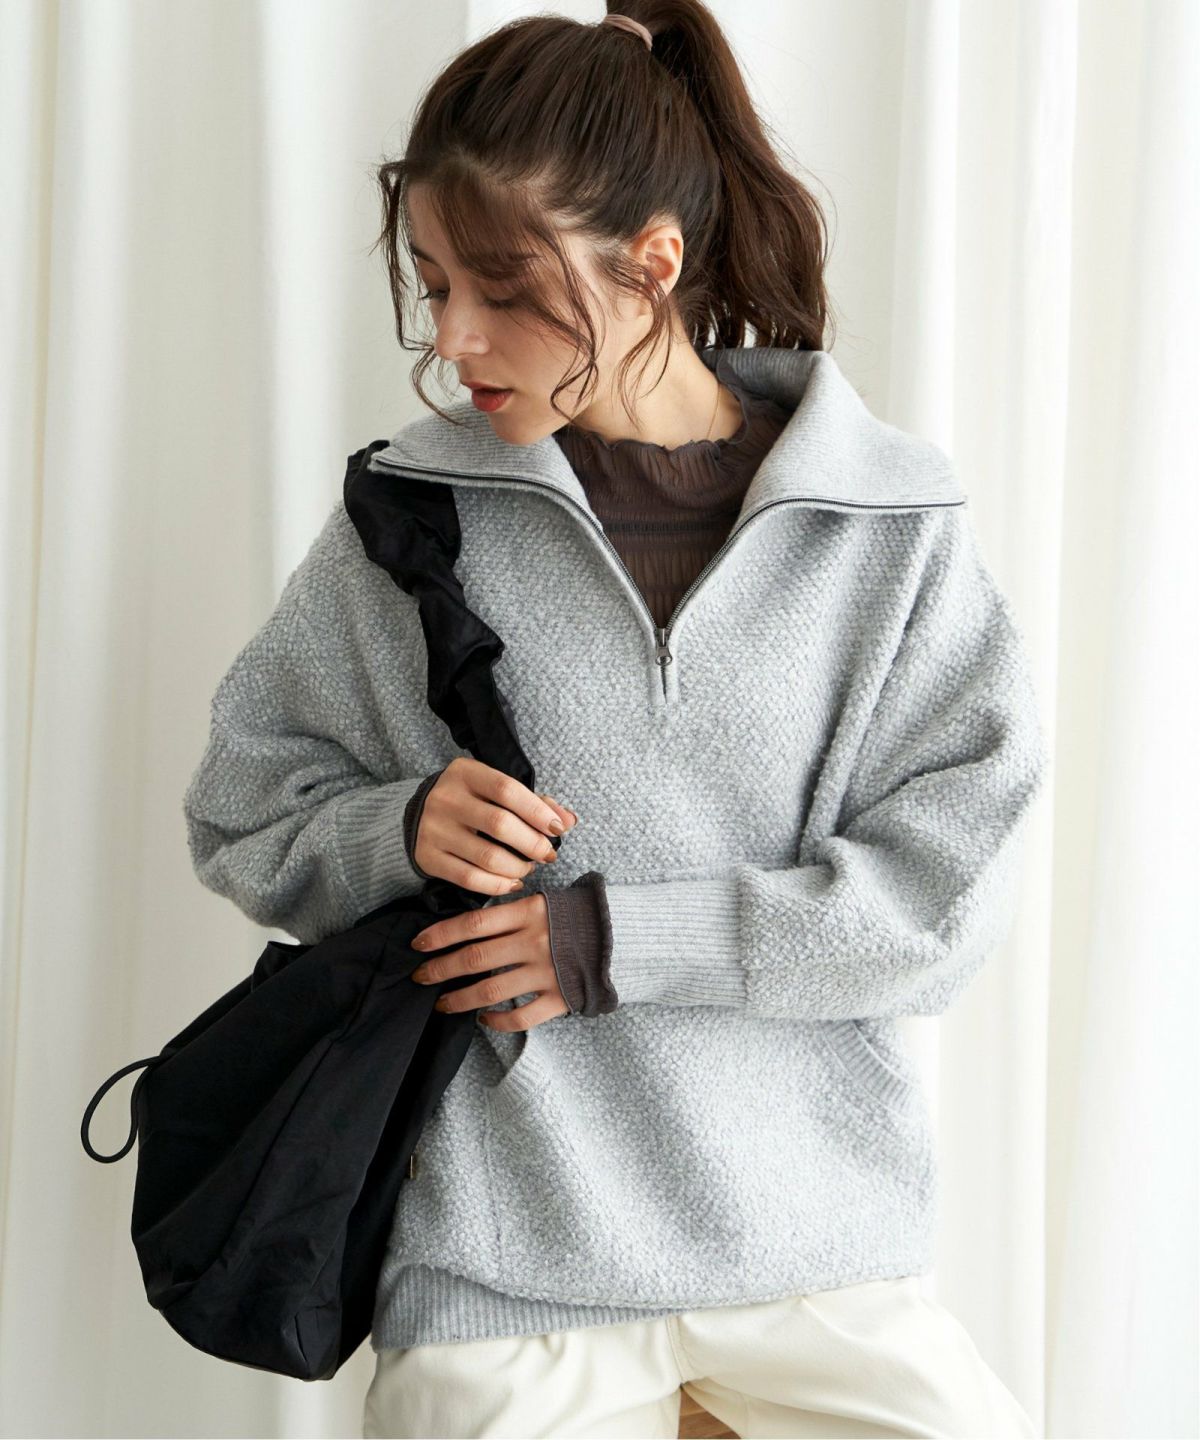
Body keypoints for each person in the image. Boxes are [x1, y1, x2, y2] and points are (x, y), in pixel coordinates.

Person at [182, 4, 1049, 1436]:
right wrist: (396, 828)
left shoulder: (887, 531)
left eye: (503, 288)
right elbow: (240, 807)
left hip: (818, 1257)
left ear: (652, 265)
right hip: (505, 1274)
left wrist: (614, 941)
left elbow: (947, 905)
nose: (455, 336)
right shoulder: (415, 517)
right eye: (433, 283)